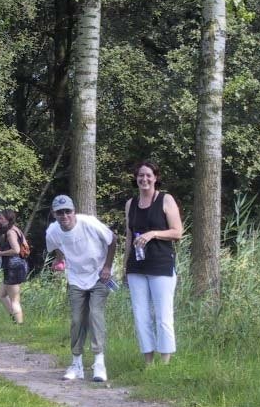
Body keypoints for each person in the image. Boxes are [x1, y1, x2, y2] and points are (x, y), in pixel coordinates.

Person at [45, 194, 116, 383]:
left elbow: (112, 239)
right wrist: (61, 260)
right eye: (60, 212)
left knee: (95, 314)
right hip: (76, 277)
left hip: (99, 274)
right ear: (54, 214)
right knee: (77, 319)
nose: (64, 216)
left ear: (74, 211)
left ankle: (99, 362)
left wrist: (107, 267)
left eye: (68, 211)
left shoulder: (89, 223)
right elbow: (55, 247)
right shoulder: (53, 231)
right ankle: (76, 363)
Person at [123, 161, 183, 365]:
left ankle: (165, 363)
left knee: (163, 315)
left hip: (160, 265)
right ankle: (148, 362)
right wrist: (125, 266)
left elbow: (177, 232)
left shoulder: (165, 200)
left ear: (155, 178)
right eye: (140, 175)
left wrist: (153, 233)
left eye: (148, 175)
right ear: (136, 178)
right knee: (141, 316)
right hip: (136, 267)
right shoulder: (131, 204)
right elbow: (129, 236)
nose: (144, 179)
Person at [0, 208, 27, 325]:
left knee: (14, 300)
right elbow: (25, 246)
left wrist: (0, 253)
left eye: (1, 218)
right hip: (16, 266)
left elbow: (16, 250)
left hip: (13, 267)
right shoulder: (17, 230)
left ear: (7, 219)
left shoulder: (10, 232)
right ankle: (14, 318)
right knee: (1, 294)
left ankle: (19, 325)